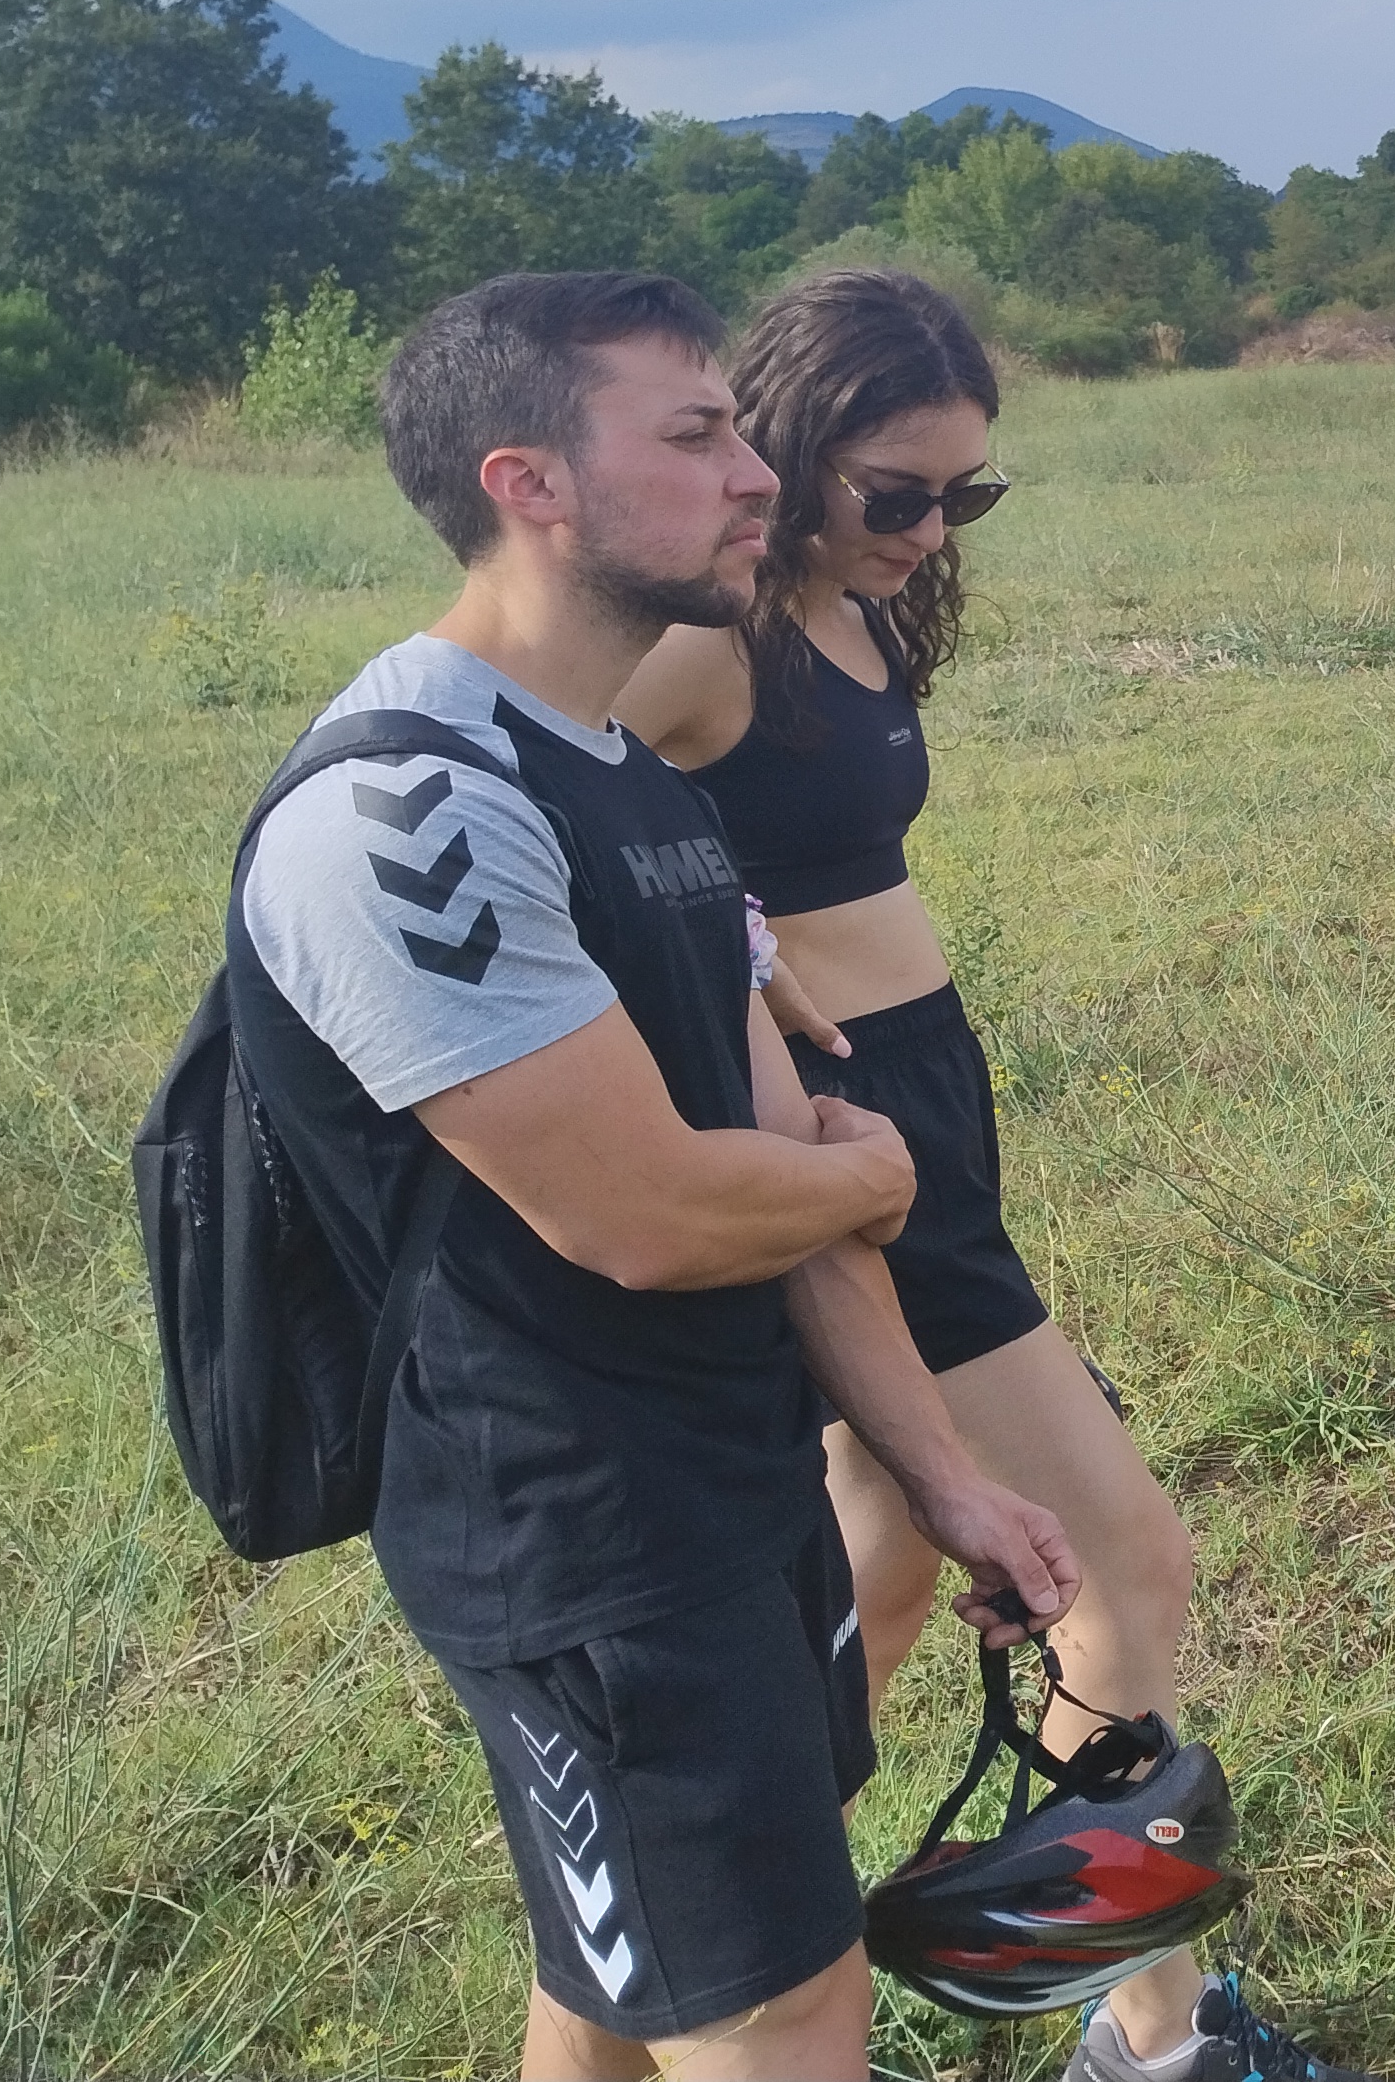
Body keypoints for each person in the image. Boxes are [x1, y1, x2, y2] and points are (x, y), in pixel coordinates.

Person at [235, 270, 1075, 2082]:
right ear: (528, 482)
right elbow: (655, 1213)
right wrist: (874, 1176)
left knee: (624, 1988)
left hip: (734, 1486)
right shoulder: (414, 811)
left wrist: (943, 1478)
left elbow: (777, 1175)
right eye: (696, 435)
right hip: (584, 1550)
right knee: (785, 2006)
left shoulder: (631, 771)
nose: (757, 472)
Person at [614, 270, 1216, 2082]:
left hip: (925, 1100)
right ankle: (1152, 2044)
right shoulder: (710, 640)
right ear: (789, 445)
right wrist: (735, 948)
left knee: (875, 1580)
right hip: (850, 1150)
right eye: (898, 491)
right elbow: (544, 805)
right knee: (1124, 1560)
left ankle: (690, 1942)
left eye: (969, 495)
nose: (932, 528)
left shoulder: (855, 605)